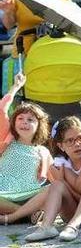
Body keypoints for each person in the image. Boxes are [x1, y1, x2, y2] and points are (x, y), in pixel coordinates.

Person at [24, 116, 81, 242]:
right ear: (61, 146)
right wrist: (62, 182)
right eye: (70, 141)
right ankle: (46, 227)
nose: (77, 144)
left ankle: (73, 227)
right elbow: (63, 190)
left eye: (80, 138)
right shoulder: (60, 161)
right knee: (56, 185)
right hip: (72, 210)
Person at [0, 75, 53, 226]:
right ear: (13, 122)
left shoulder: (43, 151)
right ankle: (27, 213)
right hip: (3, 194)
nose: (25, 122)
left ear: (39, 125)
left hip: (30, 194)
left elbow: (55, 179)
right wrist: (16, 87)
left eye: (30, 120)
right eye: (20, 118)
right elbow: (1, 108)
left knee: (53, 188)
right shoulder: (7, 140)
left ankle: (17, 215)